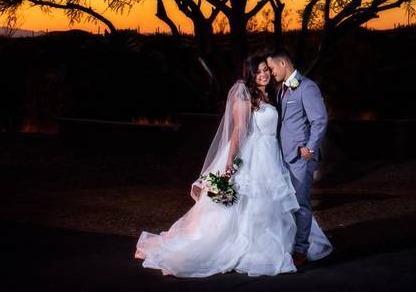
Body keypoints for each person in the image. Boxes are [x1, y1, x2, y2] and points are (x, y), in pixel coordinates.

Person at [135, 55, 331, 277]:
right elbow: (238, 131)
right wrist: (229, 163)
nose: (265, 74)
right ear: (250, 74)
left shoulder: (272, 94)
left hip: (273, 155)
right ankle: (247, 248)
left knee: (273, 204)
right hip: (255, 155)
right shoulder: (245, 96)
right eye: (258, 72)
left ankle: (284, 246)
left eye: (266, 70)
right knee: (250, 204)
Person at [265, 48, 331, 268]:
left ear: (283, 63)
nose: (271, 72)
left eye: (272, 68)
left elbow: (319, 121)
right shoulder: (280, 90)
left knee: (301, 204)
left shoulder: (308, 87)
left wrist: (310, 149)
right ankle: (289, 244)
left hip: (301, 157)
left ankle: (301, 250)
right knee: (287, 203)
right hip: (283, 157)